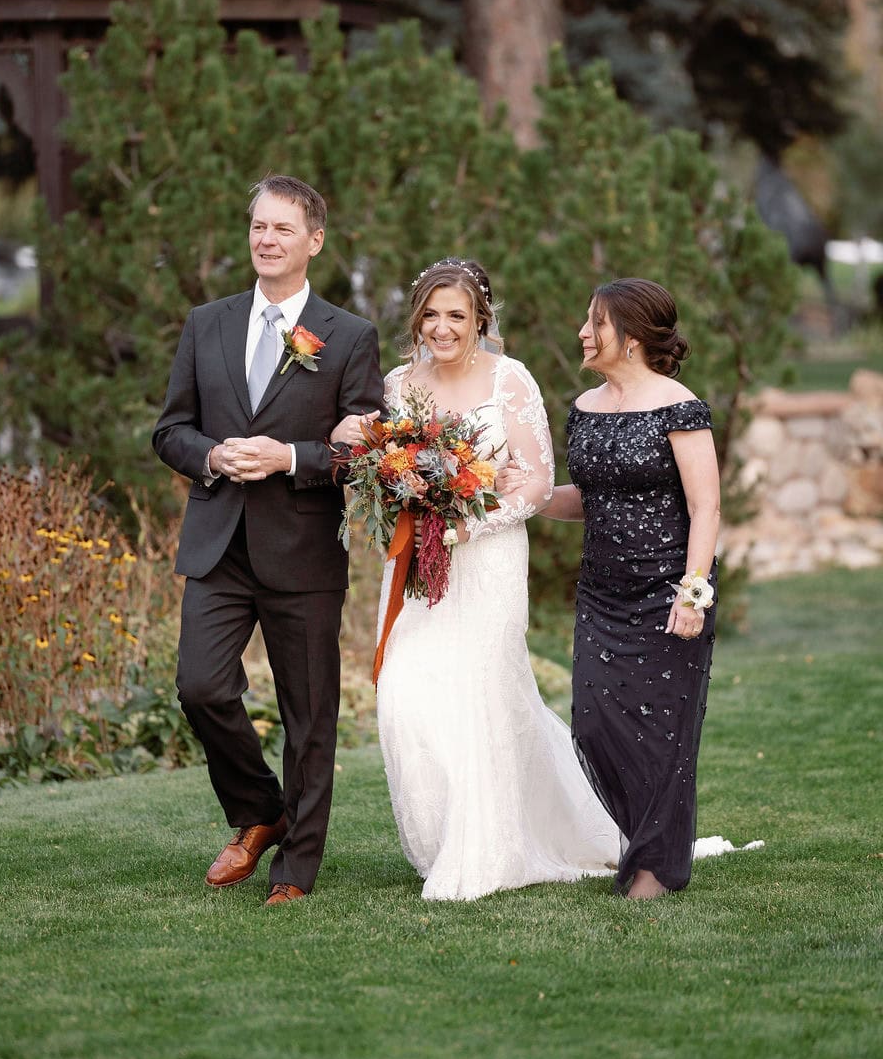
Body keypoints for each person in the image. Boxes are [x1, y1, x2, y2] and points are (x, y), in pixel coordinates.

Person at [332, 258, 621, 901]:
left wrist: (461, 527)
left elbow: (537, 483)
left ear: (480, 320)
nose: (442, 327)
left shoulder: (509, 380)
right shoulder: (399, 385)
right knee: (405, 696)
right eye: (431, 315)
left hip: (487, 562)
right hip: (414, 568)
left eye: (456, 315)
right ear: (417, 321)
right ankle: (440, 840)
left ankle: (484, 852)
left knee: (484, 698)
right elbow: (379, 466)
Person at [153, 176, 384, 906]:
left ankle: (296, 869)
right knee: (200, 686)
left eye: (282, 229)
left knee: (309, 716)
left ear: (314, 240)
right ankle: (261, 810)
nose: (266, 239)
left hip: (304, 549)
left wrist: (289, 457)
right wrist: (214, 456)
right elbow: (170, 431)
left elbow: (364, 450)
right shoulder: (206, 324)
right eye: (258, 226)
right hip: (218, 542)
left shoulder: (348, 337)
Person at [541, 278, 721, 899]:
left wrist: (693, 592)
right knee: (593, 725)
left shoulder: (679, 405)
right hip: (603, 592)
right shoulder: (586, 407)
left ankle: (654, 868)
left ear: (634, 337)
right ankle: (644, 841)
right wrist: (523, 496)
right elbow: (585, 501)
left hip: (669, 588)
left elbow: (706, 507)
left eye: (596, 323)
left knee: (662, 735)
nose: (584, 333)